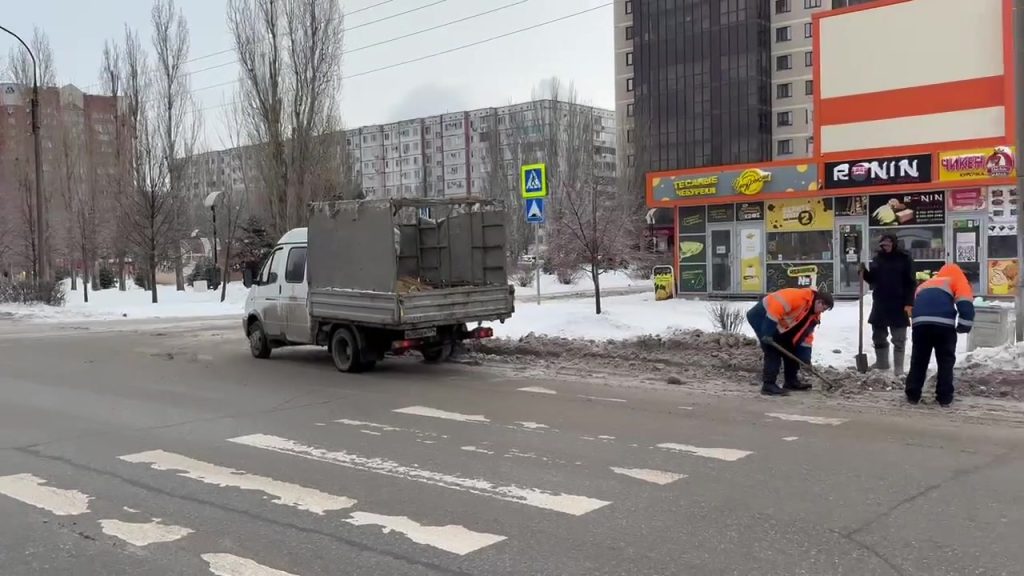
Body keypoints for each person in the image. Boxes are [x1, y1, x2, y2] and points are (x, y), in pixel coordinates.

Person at [904, 263, 975, 407]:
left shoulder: (925, 284)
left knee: (919, 359)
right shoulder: (957, 280)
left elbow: (913, 305)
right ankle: (944, 397)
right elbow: (965, 304)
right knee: (945, 361)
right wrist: (964, 326)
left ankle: (912, 394)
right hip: (943, 325)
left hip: (920, 324)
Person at [746, 288, 834, 396]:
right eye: (823, 308)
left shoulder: (814, 316)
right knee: (772, 350)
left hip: (779, 324)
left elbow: (806, 337)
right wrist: (767, 333)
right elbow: (775, 308)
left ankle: (791, 382)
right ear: (819, 301)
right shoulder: (800, 297)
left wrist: (806, 358)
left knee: (791, 348)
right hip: (761, 315)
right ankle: (768, 385)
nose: (822, 312)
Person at [859, 234, 916, 376]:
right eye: (883, 244)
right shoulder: (878, 259)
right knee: (878, 336)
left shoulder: (904, 259)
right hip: (880, 303)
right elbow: (873, 280)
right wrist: (864, 272)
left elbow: (911, 282)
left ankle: (898, 369)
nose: (886, 246)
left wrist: (909, 303)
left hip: (899, 303)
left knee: (899, 338)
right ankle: (882, 364)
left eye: (888, 243)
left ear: (894, 244)